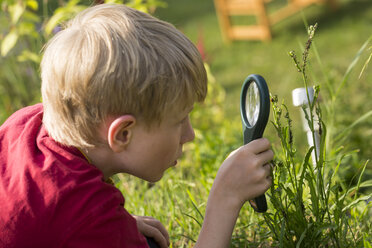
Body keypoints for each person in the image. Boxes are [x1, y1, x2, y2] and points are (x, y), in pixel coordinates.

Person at [0, 4, 273, 248]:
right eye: (179, 122)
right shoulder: (87, 213)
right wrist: (225, 198)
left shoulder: (25, 123)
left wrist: (117, 227)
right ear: (123, 134)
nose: (189, 135)